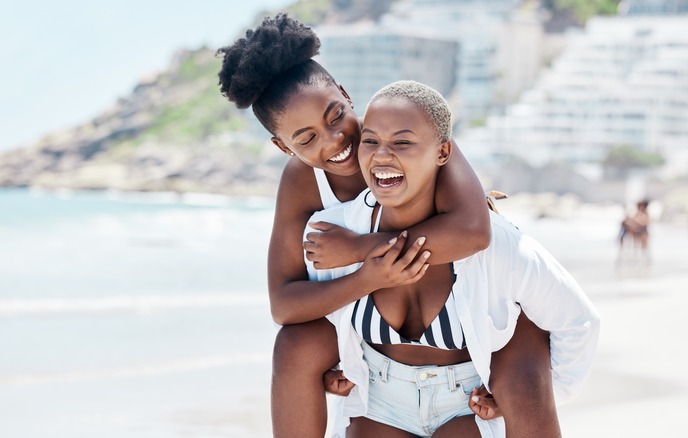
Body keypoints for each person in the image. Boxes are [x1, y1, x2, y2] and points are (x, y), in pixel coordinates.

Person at [216, 14, 556, 437]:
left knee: (524, 336)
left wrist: (360, 248)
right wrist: (368, 277)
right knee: (294, 344)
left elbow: (473, 231)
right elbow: (284, 304)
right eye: (306, 139)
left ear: (345, 94)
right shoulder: (303, 182)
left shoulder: (406, 134)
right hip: (379, 355)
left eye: (335, 116)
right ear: (283, 147)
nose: (334, 140)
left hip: (463, 342)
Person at [304, 81, 600, 437]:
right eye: (370, 141)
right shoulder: (336, 232)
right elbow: (316, 316)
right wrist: (337, 366)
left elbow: (578, 322)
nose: (381, 155)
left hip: (467, 403)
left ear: (443, 152)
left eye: (402, 142)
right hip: (379, 403)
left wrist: (545, 394)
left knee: (528, 334)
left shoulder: (497, 245)